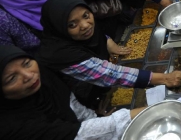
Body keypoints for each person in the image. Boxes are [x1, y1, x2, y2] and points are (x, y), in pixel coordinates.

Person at [36, 0, 181, 108]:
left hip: (93, 92)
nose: (85, 25)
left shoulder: (81, 34)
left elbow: (100, 36)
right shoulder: (61, 54)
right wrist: (164, 78)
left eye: (86, 15)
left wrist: (108, 40)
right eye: (72, 25)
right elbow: (112, 74)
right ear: (60, 27)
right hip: (73, 107)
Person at [0, 45, 143, 140]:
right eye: (12, 78)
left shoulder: (43, 77)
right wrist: (150, 112)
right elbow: (80, 135)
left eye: (27, 63)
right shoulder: (12, 127)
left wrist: (93, 117)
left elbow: (70, 102)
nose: (29, 76)